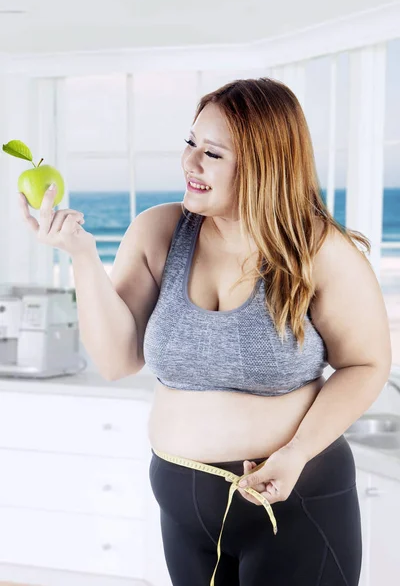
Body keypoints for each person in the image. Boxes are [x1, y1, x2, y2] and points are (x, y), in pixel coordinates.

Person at [19, 77, 392, 586]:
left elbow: (366, 363)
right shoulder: (159, 232)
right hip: (181, 506)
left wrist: (295, 454)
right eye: (190, 142)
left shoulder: (319, 251)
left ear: (264, 164)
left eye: (212, 154)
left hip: (293, 499)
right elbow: (116, 360)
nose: (189, 163)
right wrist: (83, 256)